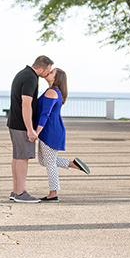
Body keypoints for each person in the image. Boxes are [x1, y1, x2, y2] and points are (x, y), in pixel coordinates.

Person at [35, 68, 90, 202]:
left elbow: (45, 114)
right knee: (44, 160)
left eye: (51, 72)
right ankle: (73, 164)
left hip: (50, 131)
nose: (48, 73)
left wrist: (36, 131)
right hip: (52, 130)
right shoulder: (55, 92)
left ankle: (53, 193)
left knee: (49, 162)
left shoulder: (52, 92)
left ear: (56, 78)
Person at [8, 55, 53, 203]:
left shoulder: (23, 73)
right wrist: (30, 129)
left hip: (14, 122)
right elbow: (26, 103)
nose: (48, 73)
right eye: (48, 70)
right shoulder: (31, 78)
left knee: (17, 157)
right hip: (22, 125)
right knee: (23, 157)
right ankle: (21, 193)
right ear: (40, 68)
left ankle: (16, 191)